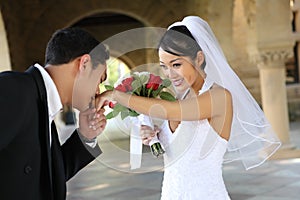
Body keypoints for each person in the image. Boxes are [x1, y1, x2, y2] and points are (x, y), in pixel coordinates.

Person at [97, 16, 281, 199]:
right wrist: (154, 136)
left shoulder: (219, 97)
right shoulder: (180, 97)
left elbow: (170, 110)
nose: (170, 74)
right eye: (164, 66)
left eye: (176, 64)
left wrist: (115, 95)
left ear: (199, 58)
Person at [0, 27, 109, 200]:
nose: (98, 91)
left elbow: (46, 179)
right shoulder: (13, 89)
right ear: (84, 64)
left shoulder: (44, 104)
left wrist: (86, 136)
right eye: (100, 79)